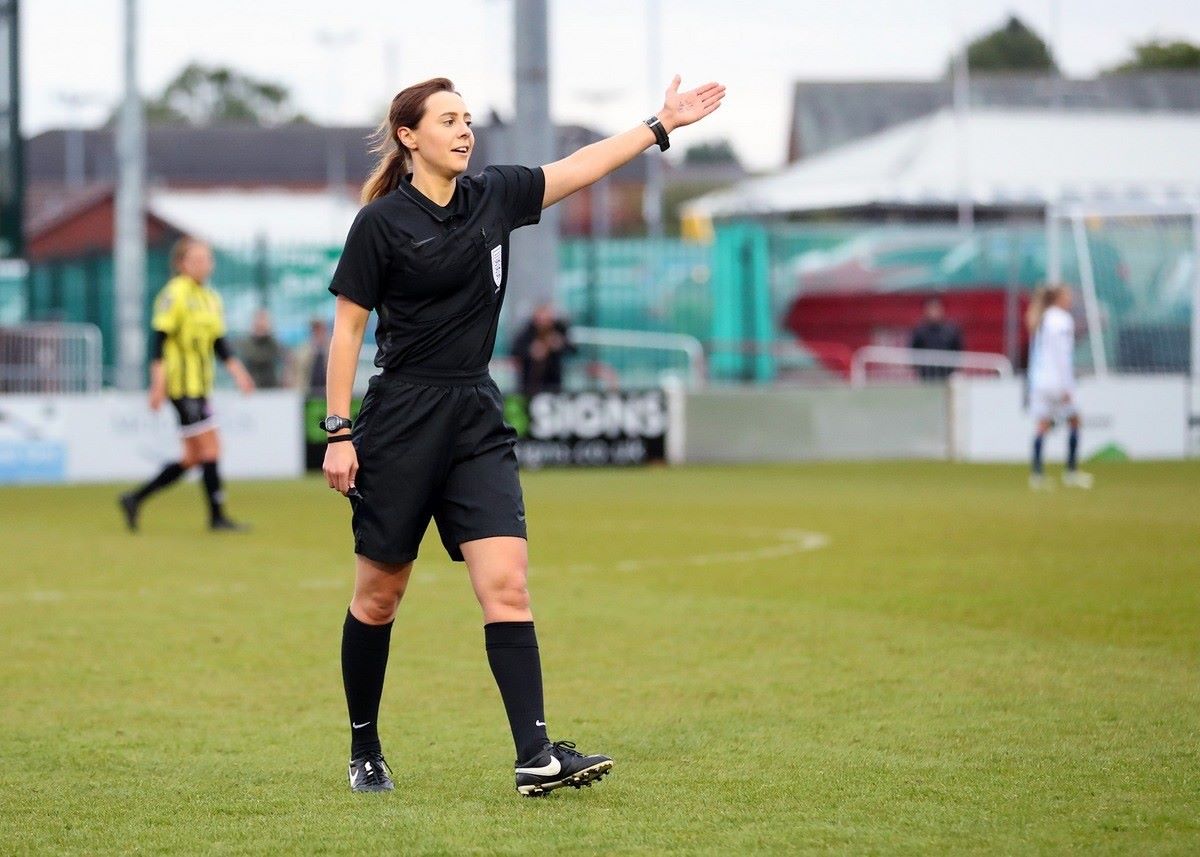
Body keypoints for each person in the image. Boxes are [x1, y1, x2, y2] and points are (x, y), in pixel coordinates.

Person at [322, 75, 724, 795]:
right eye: (448, 120)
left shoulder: (494, 196)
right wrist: (339, 430)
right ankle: (364, 746)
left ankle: (535, 755)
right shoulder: (380, 224)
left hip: (476, 414)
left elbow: (580, 168)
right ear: (410, 137)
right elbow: (348, 328)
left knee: (507, 583)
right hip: (402, 419)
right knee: (380, 596)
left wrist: (659, 125)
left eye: (468, 119)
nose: (464, 130)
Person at [119, 237, 256, 532]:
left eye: (208, 259)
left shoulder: (211, 298)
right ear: (181, 264)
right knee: (211, 448)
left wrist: (238, 372)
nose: (205, 264)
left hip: (201, 387)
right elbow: (159, 343)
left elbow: (219, 343)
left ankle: (135, 498)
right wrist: (158, 385)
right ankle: (217, 517)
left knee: (193, 457)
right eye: (197, 259)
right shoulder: (173, 295)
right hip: (181, 388)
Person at [1026, 284, 1093, 490]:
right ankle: (1071, 472)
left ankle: (1037, 475)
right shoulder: (1061, 319)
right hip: (1057, 381)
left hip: (1039, 380)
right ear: (1059, 298)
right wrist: (1067, 387)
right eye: (1068, 295)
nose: (1070, 299)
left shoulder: (1042, 318)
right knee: (1075, 420)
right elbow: (1062, 356)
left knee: (1042, 425)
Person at [511, 302, 575, 396]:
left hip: (554, 382)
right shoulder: (527, 331)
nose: (544, 323)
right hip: (530, 383)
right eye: (541, 319)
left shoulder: (559, 329)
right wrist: (531, 351)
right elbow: (515, 351)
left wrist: (560, 344)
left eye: (547, 319)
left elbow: (573, 349)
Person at [908, 296, 963, 381]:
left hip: (946, 376)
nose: (934, 312)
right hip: (926, 377)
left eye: (936, 308)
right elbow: (914, 351)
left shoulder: (951, 330)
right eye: (931, 309)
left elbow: (958, 349)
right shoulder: (920, 331)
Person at [240, 308, 287, 389]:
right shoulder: (246, 344)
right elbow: (256, 356)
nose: (261, 324)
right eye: (259, 321)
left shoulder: (274, 343)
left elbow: (282, 362)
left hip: (272, 389)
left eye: (264, 321)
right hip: (252, 389)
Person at [288, 317, 330, 398]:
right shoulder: (303, 350)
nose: (318, 334)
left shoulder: (331, 349)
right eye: (315, 330)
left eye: (320, 330)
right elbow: (296, 371)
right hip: (307, 393)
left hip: (327, 393)